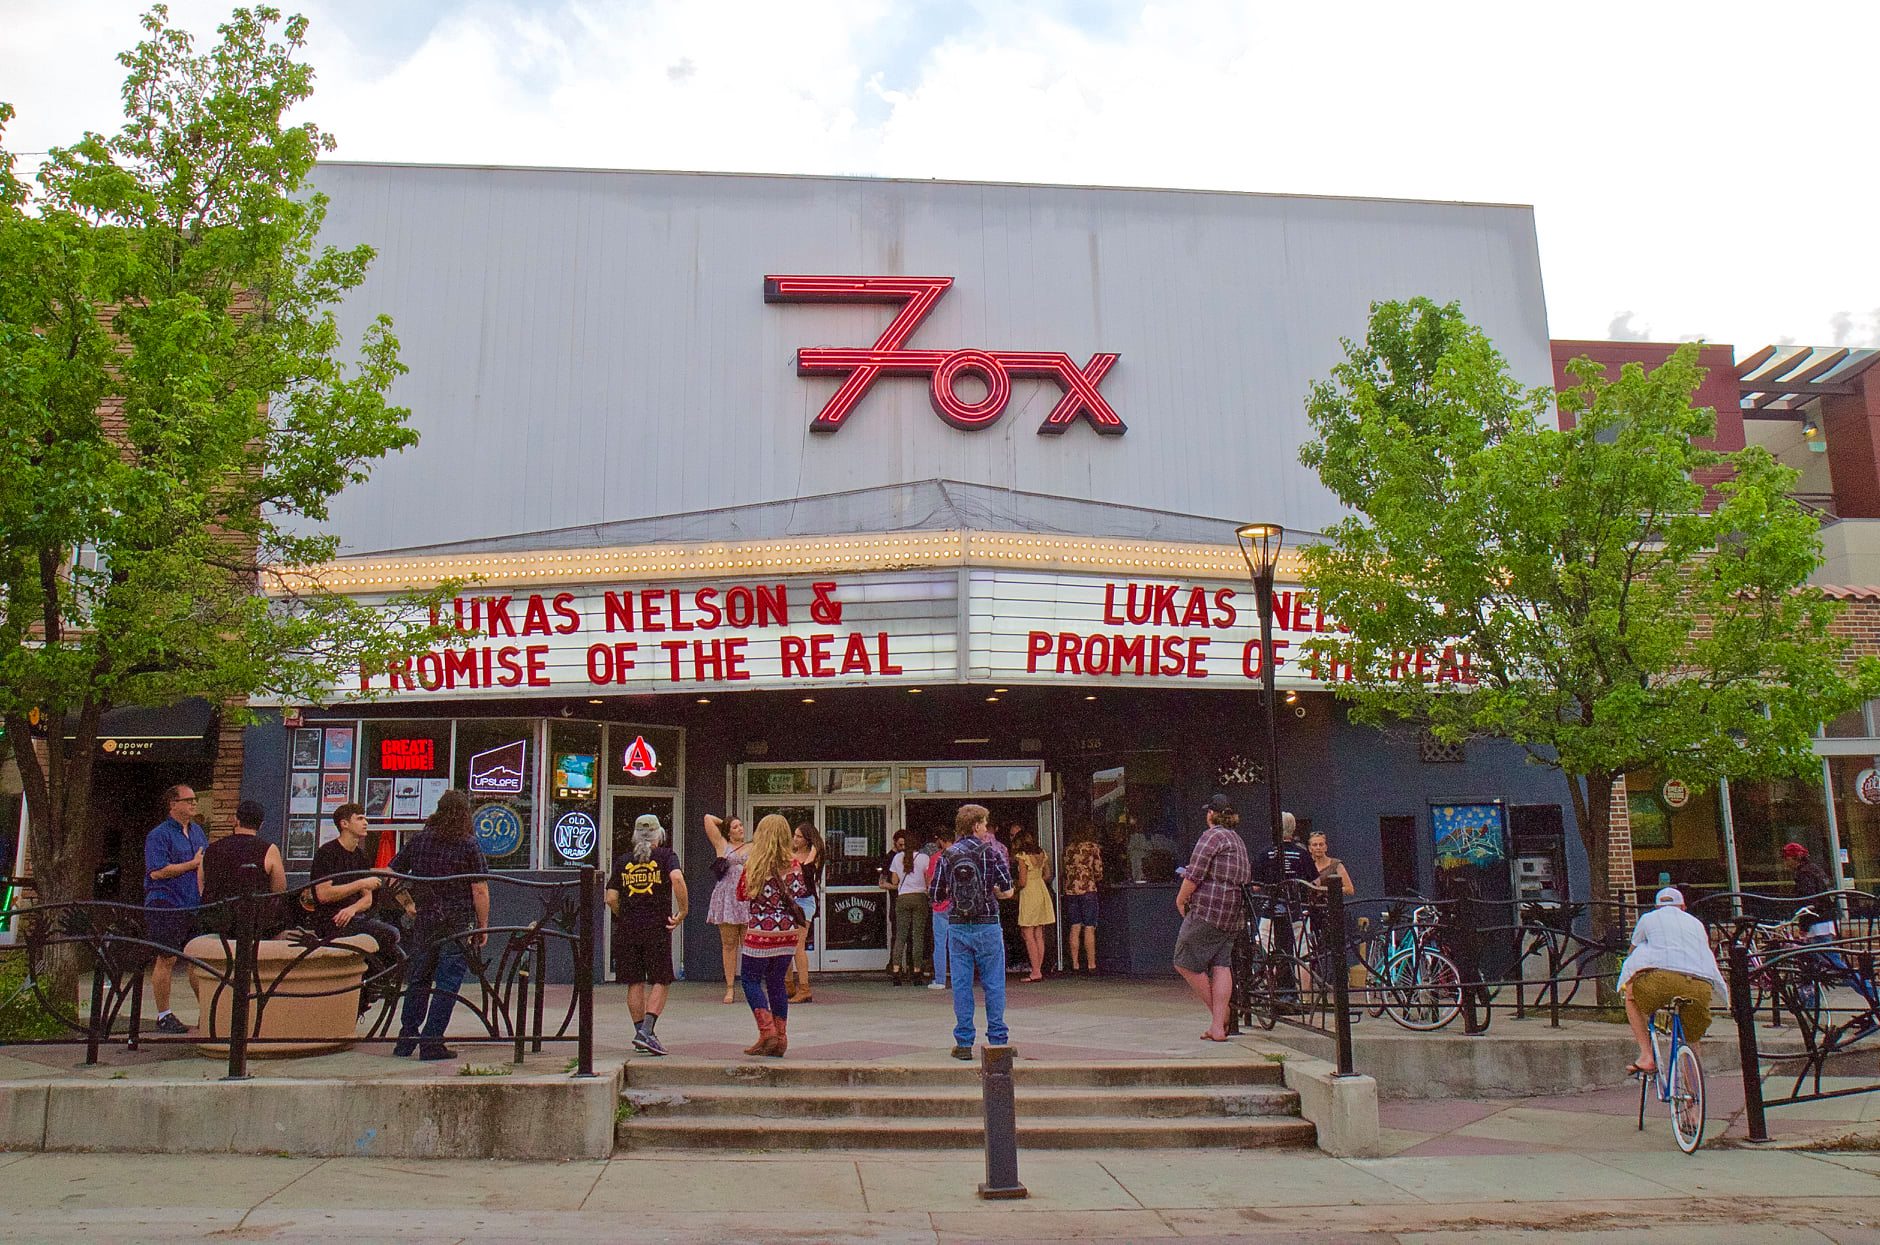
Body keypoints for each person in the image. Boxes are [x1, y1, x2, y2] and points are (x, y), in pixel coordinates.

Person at [390, 789, 489, 1061]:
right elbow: (479, 888)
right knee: (447, 982)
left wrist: (408, 903)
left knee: (419, 978)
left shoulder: (420, 840)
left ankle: (406, 1038)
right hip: (457, 920)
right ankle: (432, 1041)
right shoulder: (468, 844)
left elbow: (391, 874)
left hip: (425, 918)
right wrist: (483, 924)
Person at [930, 804, 1015, 1059]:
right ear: (976, 825)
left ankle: (964, 1042)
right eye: (985, 824)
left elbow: (935, 895)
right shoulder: (991, 853)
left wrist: (954, 894)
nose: (986, 828)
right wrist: (995, 893)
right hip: (988, 923)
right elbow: (1008, 889)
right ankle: (998, 1042)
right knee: (994, 983)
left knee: (961, 985)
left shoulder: (948, 855)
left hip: (958, 925)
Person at [1617, 887, 1729, 1076]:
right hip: (1700, 983)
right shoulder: (1696, 923)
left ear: (1656, 906)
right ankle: (1693, 1090)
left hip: (1663, 979)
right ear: (1683, 906)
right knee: (1691, 1037)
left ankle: (1646, 1056)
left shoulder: (1648, 919)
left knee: (1631, 996)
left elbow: (1633, 950)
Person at [307, 803, 403, 1006]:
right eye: (360, 818)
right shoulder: (327, 853)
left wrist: (352, 908)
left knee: (396, 948)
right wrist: (359, 883)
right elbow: (323, 894)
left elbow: (367, 898)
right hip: (331, 920)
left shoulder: (360, 855)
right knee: (389, 934)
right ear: (344, 824)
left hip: (354, 917)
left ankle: (368, 991)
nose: (366, 822)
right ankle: (367, 989)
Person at [607, 813, 686, 1056]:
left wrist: (625, 916)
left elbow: (610, 898)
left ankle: (641, 1031)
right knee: (661, 979)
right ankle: (647, 1032)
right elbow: (677, 878)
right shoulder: (666, 856)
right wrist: (683, 910)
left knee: (635, 982)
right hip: (656, 928)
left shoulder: (623, 861)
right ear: (658, 834)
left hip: (628, 929)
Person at [1175, 794, 1252, 1042]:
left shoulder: (1212, 836)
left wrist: (1181, 899)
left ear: (1211, 814)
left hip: (1209, 909)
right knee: (1221, 965)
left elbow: (1195, 873)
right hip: (1233, 912)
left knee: (1183, 961)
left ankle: (1224, 1014)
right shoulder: (1238, 840)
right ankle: (1218, 1026)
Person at [737, 814, 810, 1057]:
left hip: (760, 930)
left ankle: (766, 1030)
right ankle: (780, 1037)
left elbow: (743, 893)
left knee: (750, 978)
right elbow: (800, 891)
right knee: (777, 981)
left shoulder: (754, 863)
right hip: (788, 932)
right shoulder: (794, 864)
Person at [1782, 841, 1880, 1018]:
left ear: (1793, 858)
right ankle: (1809, 1002)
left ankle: (1875, 995)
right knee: (1811, 963)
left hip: (1817, 926)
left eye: (1786, 858)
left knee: (1837, 966)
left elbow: (1808, 903)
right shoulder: (1815, 870)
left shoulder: (1805, 874)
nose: (1785, 863)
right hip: (1825, 922)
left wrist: (1803, 926)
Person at [143, 784, 208, 1035]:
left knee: (197, 959)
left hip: (193, 902)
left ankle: (208, 1012)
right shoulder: (159, 835)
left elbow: (203, 865)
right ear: (173, 804)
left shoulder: (198, 832)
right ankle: (163, 1014)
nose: (193, 804)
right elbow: (157, 871)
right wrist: (191, 864)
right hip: (166, 902)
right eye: (188, 800)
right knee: (166, 958)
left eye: (195, 799)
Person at [200, 798, 287, 936]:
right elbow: (279, 889)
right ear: (261, 825)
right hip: (254, 923)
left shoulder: (212, 849)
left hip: (216, 922)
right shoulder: (269, 849)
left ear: (236, 820)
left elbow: (201, 883)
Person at [703, 814, 749, 1005]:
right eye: (735, 827)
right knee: (729, 944)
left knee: (749, 944)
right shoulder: (722, 845)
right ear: (729, 832)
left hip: (746, 897)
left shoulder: (751, 847)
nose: (740, 829)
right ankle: (730, 987)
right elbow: (708, 819)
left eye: (741, 825)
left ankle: (749, 984)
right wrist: (726, 823)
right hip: (727, 897)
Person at [788, 821, 824, 1004]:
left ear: (808, 839)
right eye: (794, 835)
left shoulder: (814, 855)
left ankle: (804, 988)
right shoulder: (790, 854)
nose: (795, 839)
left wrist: (814, 848)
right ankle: (788, 984)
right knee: (786, 943)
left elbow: (807, 870)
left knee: (798, 944)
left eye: (799, 836)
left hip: (805, 901)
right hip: (788, 901)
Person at [889, 833, 932, 985]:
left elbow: (894, 880)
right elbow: (928, 880)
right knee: (917, 936)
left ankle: (896, 972)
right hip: (919, 897)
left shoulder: (897, 858)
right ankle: (916, 972)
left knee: (900, 936)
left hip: (902, 898)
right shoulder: (924, 858)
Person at [1014, 830, 1055, 982]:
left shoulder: (1022, 856)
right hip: (1041, 890)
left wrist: (1014, 887)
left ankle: (1035, 971)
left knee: (1028, 933)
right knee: (1039, 933)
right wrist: (1037, 879)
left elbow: (1023, 881)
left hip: (1029, 893)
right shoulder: (1042, 854)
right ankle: (1039, 970)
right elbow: (1048, 875)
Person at [1062, 832, 1104, 973]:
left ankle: (1075, 964)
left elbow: (1065, 869)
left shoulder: (1069, 849)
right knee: (1089, 927)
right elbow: (1098, 871)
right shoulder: (1092, 847)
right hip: (1087, 889)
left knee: (1075, 926)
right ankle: (1091, 964)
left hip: (1071, 890)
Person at [925, 827, 956, 991]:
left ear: (942, 841)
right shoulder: (961, 856)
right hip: (958, 904)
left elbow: (930, 882)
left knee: (940, 943)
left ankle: (940, 979)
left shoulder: (936, 858)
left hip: (940, 905)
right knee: (959, 942)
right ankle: (960, 977)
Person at [1306, 831, 1354, 896]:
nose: (1318, 847)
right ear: (1310, 848)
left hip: (1331, 904)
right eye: (1315, 845)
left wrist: (1326, 889)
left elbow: (1350, 889)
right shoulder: (1306, 865)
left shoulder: (1336, 865)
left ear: (1326, 847)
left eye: (1321, 844)